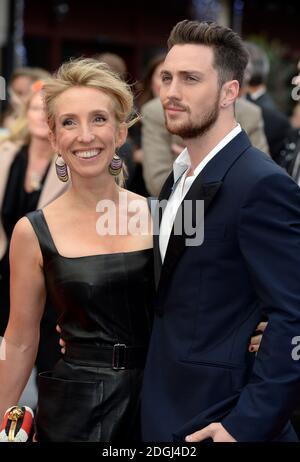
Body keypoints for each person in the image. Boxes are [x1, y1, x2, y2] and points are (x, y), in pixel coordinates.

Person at [141, 20, 300, 442]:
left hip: (219, 416)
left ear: (231, 91)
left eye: (191, 79)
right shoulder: (178, 179)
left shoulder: (260, 184)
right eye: (167, 77)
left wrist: (244, 427)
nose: (172, 92)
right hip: (166, 407)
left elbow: (294, 315)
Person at [0, 58, 154, 442]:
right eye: (69, 122)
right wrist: (3, 418)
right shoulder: (32, 231)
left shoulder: (160, 217)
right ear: (53, 137)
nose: (86, 135)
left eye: (99, 119)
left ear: (121, 132)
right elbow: (19, 339)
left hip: (159, 400)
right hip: (74, 410)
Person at [0, 81, 67, 373]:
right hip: (3, 271)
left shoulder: (73, 163)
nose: (42, 116)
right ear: (25, 113)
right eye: (37, 108)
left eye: (49, 110)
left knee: (47, 363)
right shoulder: (5, 154)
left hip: (50, 279)